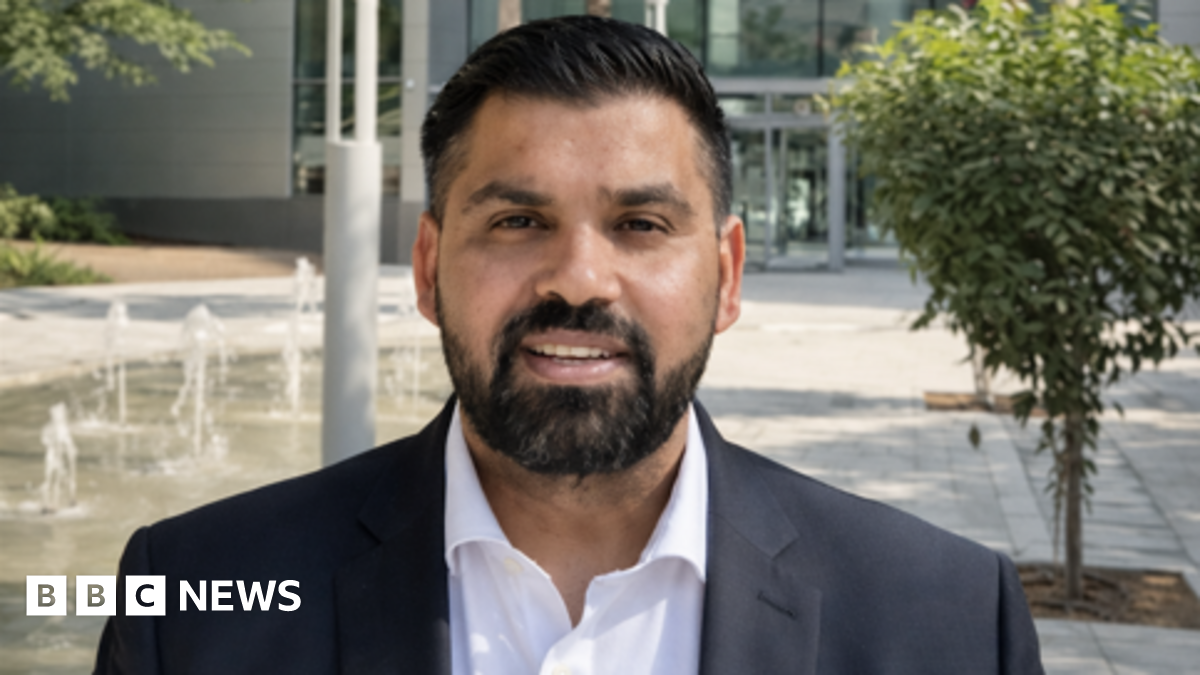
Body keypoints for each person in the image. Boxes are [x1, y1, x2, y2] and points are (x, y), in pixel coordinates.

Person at [95, 16, 1044, 674]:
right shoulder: (189, 595)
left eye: (640, 224)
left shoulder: (950, 614)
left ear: (729, 276)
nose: (579, 278)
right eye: (516, 220)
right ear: (427, 267)